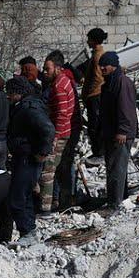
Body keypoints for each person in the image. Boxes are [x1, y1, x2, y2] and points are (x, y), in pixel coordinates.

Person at [2, 77, 55, 240]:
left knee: (17, 198)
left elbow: (48, 128)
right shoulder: (24, 106)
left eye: (10, 93)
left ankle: (27, 232)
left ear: (18, 93)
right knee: (25, 196)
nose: (8, 96)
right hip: (23, 158)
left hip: (28, 159)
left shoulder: (29, 108)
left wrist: (42, 152)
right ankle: (29, 231)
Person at [96, 52, 139, 209]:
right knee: (114, 167)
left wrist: (123, 131)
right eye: (100, 65)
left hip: (121, 134)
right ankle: (119, 197)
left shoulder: (122, 82)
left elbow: (125, 108)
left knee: (117, 168)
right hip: (111, 132)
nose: (102, 68)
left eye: (105, 65)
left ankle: (115, 203)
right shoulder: (109, 83)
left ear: (113, 65)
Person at [41, 51, 79, 211]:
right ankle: (64, 202)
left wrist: (55, 137)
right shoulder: (63, 81)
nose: (44, 72)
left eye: (47, 69)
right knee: (62, 169)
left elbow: (63, 114)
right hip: (65, 132)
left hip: (61, 134)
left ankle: (45, 208)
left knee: (48, 171)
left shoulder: (59, 86)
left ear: (57, 68)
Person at [80, 28, 109, 156]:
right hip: (95, 96)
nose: (87, 41)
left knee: (95, 126)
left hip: (95, 96)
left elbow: (98, 78)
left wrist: (88, 95)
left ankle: (98, 153)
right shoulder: (97, 54)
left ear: (94, 40)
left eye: (89, 39)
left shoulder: (98, 56)